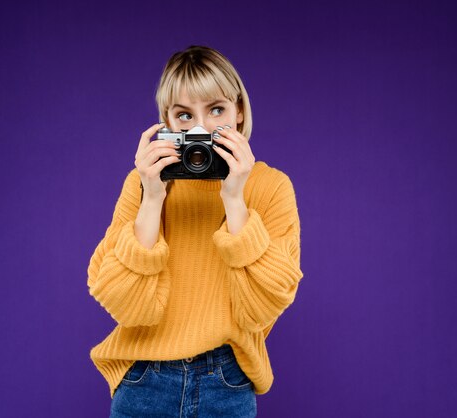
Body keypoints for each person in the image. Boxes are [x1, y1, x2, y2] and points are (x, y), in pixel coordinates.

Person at [86, 45, 304, 418]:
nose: (200, 129)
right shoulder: (142, 185)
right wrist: (152, 198)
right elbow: (123, 304)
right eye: (184, 115)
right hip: (144, 383)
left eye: (216, 109)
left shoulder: (270, 187)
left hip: (228, 384)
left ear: (239, 111)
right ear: (167, 124)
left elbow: (262, 308)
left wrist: (234, 198)